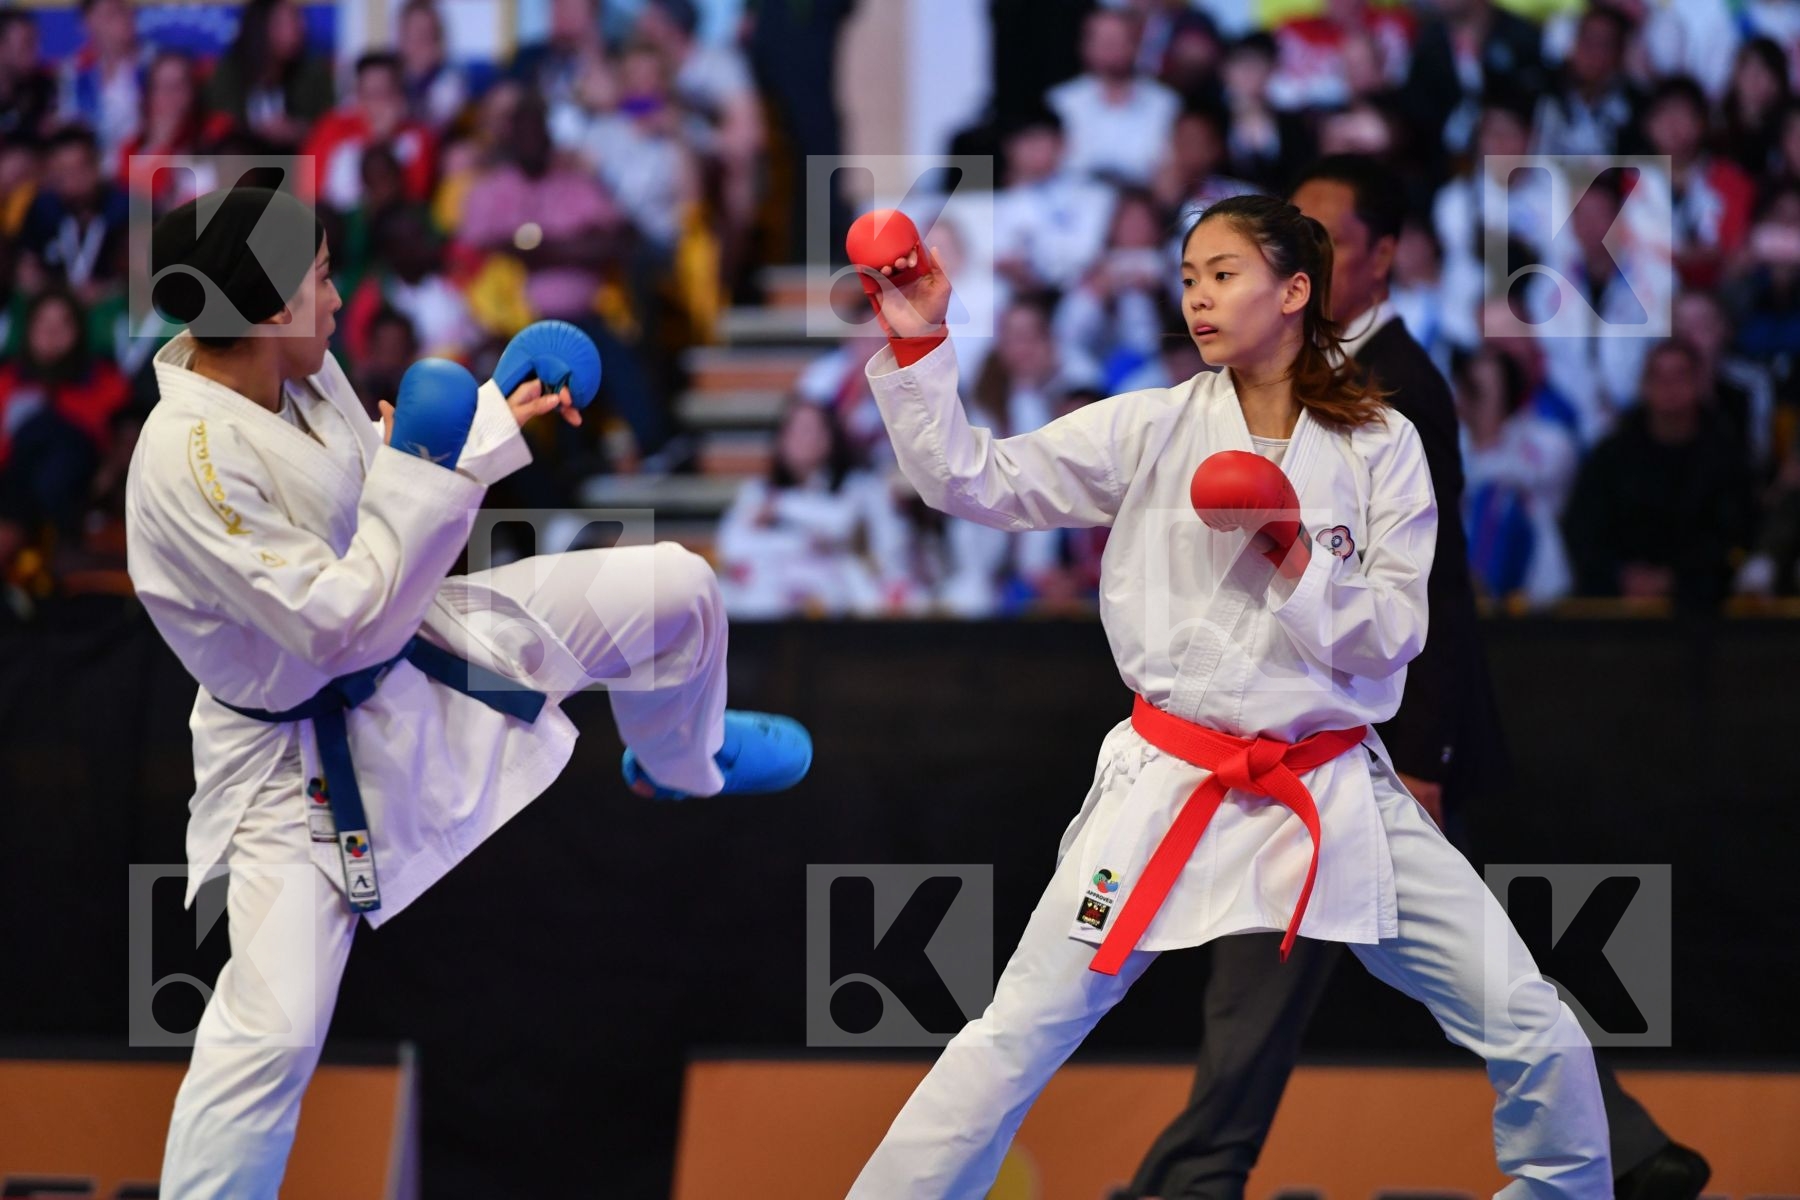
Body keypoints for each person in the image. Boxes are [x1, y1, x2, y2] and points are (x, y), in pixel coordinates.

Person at [842, 194, 1609, 1197]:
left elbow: (1395, 639)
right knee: (1016, 1033)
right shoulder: (1152, 428)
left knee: (1532, 1023)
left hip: (1331, 789)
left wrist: (1291, 550)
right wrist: (921, 342)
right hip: (1171, 783)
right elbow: (973, 480)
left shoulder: (1382, 444)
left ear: (1295, 292)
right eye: (1190, 277)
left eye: (1224, 274)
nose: (1198, 297)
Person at [126, 184, 812, 1197]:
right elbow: (340, 618)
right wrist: (425, 460)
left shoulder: (295, 381)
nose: (335, 293)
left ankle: (683, 764)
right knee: (266, 1043)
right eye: (319, 278)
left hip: (426, 649)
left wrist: (495, 414)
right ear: (269, 310)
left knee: (680, 590)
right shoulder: (188, 466)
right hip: (295, 761)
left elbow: (397, 488)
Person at [1127, 157, 1707, 1200]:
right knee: (1413, 975)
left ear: (1383, 255)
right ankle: (1627, 1151)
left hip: (1368, 737)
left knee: (1304, 973)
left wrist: (1428, 751)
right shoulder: (1291, 374)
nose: (1293, 261)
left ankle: (1187, 1185)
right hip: (1305, 729)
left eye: (1324, 240)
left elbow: (1426, 587)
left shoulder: (1397, 385)